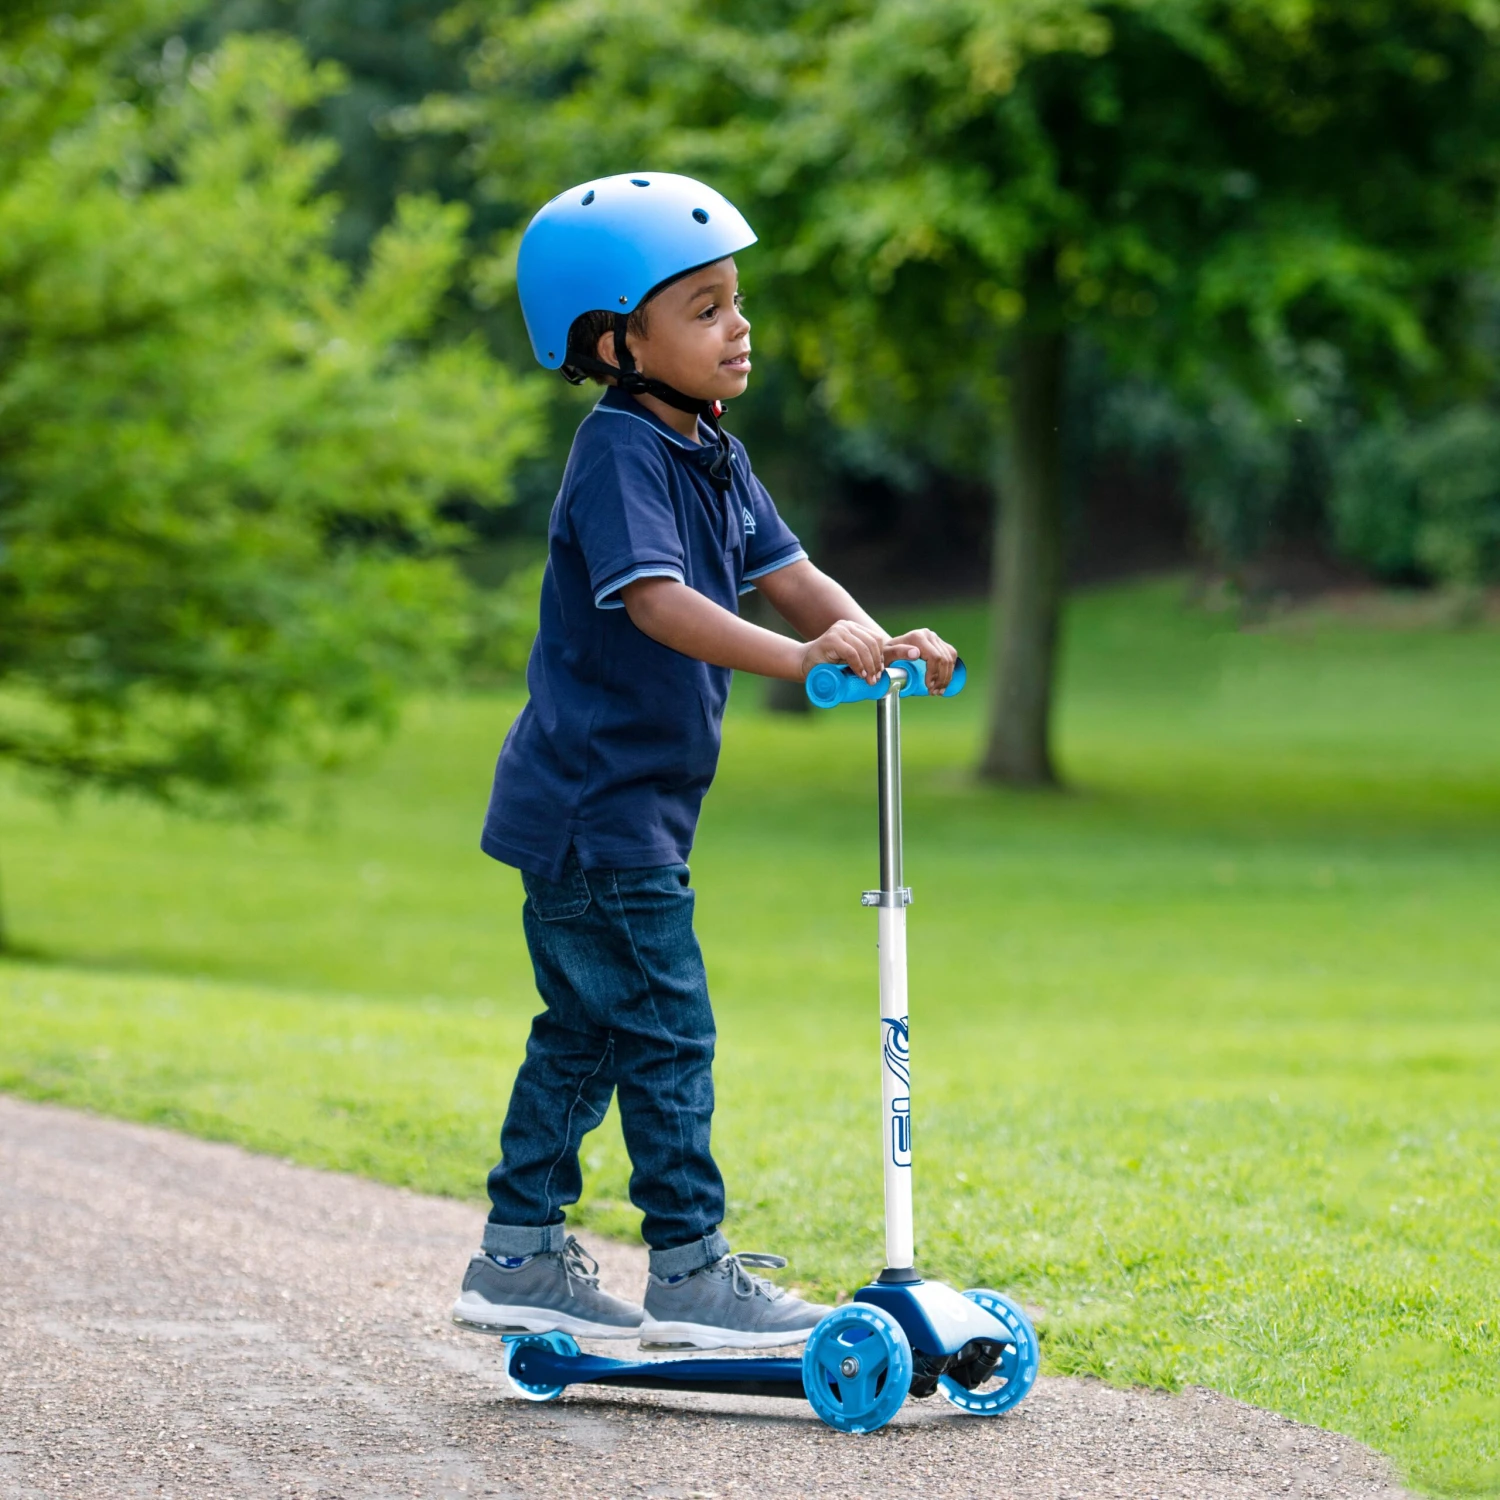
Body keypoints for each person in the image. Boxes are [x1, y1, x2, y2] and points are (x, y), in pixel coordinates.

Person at [453, 172, 959, 1350]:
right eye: (704, 308)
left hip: (621, 811)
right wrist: (799, 664)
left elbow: (792, 575)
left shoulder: (712, 450)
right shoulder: (620, 453)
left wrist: (877, 640)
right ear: (614, 340)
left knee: (587, 1034)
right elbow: (660, 605)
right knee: (667, 1031)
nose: (738, 327)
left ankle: (516, 1256)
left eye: (737, 301)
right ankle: (688, 1271)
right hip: (595, 810)